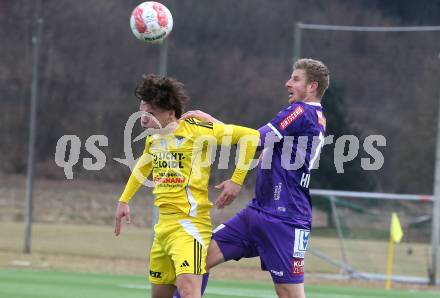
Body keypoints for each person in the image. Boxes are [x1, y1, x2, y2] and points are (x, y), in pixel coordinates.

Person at [177, 58, 329, 298]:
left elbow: (255, 140)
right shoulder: (312, 115)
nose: (287, 82)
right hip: (257, 212)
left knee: (290, 294)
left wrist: (214, 124)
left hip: (285, 218)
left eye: (295, 79)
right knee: (197, 261)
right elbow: (259, 144)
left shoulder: (301, 111)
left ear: (312, 87)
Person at [113, 74, 259, 298]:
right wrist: (124, 200)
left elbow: (250, 137)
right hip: (162, 230)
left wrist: (236, 180)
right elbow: (143, 167)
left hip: (189, 227)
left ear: (171, 112)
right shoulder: (155, 138)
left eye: (151, 114)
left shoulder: (196, 130)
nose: (144, 118)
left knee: (189, 293)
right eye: (142, 111)